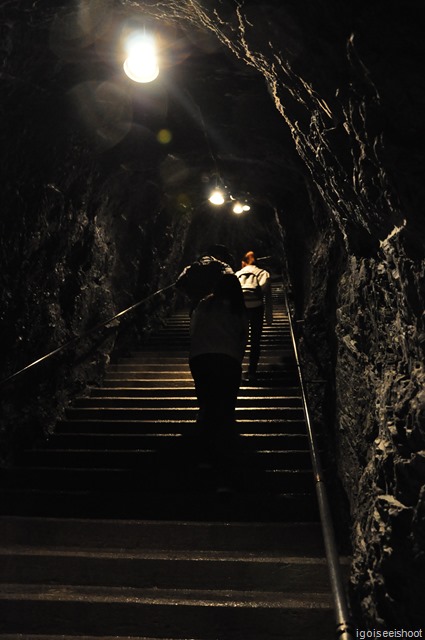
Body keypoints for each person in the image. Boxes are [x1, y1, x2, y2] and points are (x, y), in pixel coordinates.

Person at [189, 273, 249, 446]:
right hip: (228, 359)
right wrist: (238, 359)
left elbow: (193, 330)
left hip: (200, 357)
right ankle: (227, 448)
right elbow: (244, 336)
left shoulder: (204, 304)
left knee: (206, 403)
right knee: (226, 405)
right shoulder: (238, 307)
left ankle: (203, 446)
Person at [235, 250, 273, 382]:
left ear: (243, 262)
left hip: (240, 308)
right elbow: (267, 295)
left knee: (240, 340)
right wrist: (269, 317)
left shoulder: (237, 273)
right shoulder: (263, 272)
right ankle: (251, 372)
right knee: (255, 340)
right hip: (257, 307)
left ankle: (236, 370)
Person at [175, 244, 234, 314]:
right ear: (219, 256)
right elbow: (232, 281)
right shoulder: (223, 266)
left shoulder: (193, 266)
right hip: (218, 307)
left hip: (197, 307)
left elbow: (178, 284)